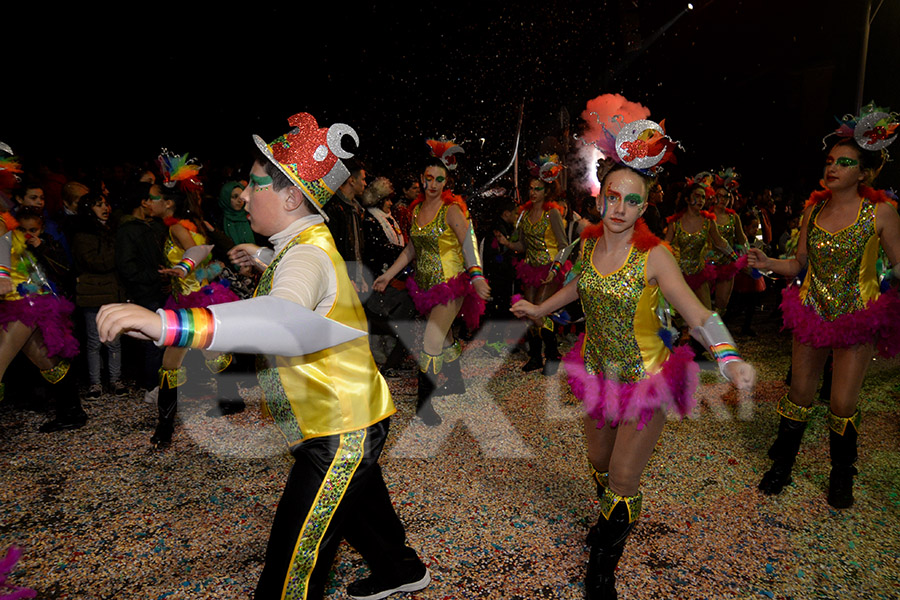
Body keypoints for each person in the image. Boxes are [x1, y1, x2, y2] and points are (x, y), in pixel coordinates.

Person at [98, 111, 430, 600]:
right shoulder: (301, 245)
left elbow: (282, 318)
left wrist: (168, 324)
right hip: (340, 418)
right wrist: (264, 257)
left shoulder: (308, 255)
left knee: (289, 571)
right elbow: (301, 279)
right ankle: (401, 570)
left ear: (292, 196)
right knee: (360, 508)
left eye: (256, 186)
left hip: (339, 431)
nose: (245, 195)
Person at [512, 106, 755, 600]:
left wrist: (729, 359)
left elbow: (695, 313)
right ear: (603, 200)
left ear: (645, 208)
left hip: (647, 379)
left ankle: (603, 565)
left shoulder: (655, 255)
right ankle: (608, 518)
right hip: (599, 371)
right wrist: (540, 312)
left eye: (631, 201)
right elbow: (580, 286)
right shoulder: (589, 243)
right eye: (613, 198)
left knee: (624, 477)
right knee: (598, 462)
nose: (619, 209)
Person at [750, 104, 900, 508]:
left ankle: (841, 473)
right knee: (799, 393)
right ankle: (781, 465)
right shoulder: (813, 210)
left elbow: (899, 263)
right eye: (830, 160)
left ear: (864, 173)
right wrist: (768, 263)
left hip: (857, 316)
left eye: (844, 162)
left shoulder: (881, 213)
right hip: (813, 310)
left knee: (841, 403)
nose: (832, 167)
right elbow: (799, 264)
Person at [373, 140, 490, 426]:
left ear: (446, 182)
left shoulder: (451, 210)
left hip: (450, 284)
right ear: (421, 180)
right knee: (445, 337)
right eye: (428, 179)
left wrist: (476, 275)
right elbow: (411, 249)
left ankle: (423, 404)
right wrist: (389, 275)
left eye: (440, 179)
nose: (433, 184)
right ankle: (456, 381)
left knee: (430, 341)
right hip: (424, 286)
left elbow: (468, 242)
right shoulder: (415, 211)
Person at [152, 177, 241, 448]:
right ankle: (231, 399)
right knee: (211, 354)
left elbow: (198, 251)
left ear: (168, 204)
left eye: (152, 197)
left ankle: (164, 429)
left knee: (170, 363)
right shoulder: (186, 224)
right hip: (191, 298)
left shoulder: (178, 227)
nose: (147, 202)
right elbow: (209, 257)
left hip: (190, 304)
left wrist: (183, 268)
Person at [0, 208, 84, 432]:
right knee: (44, 358)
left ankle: (72, 412)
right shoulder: (11, 232)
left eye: (33, 230)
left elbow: (64, 268)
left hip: (24, 304)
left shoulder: (6, 230)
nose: (27, 234)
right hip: (19, 304)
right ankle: (72, 412)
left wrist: (2, 276)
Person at [496, 155, 568, 375]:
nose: (532, 192)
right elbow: (523, 245)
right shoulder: (525, 215)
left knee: (539, 313)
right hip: (530, 268)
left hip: (550, 268)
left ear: (546, 192)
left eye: (537, 189)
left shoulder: (552, 213)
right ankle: (536, 356)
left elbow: (564, 246)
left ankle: (553, 355)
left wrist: (555, 269)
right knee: (529, 314)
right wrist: (507, 242)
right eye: (531, 188)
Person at [72, 193, 126, 398]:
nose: (105, 207)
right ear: (88, 209)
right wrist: (118, 250)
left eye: (105, 203)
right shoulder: (83, 236)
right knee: (94, 341)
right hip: (92, 293)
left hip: (112, 291)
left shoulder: (112, 231)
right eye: (98, 204)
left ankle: (115, 379)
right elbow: (97, 262)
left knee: (114, 340)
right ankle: (95, 382)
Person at [665, 176, 734, 309]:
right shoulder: (675, 223)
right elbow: (665, 248)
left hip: (699, 276)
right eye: (697, 196)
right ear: (687, 199)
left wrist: (738, 259)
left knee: (705, 317)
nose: (701, 200)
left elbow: (720, 242)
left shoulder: (708, 221)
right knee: (680, 318)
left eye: (703, 197)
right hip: (678, 277)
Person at [707, 170, 748, 314]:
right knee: (703, 305)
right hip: (706, 266)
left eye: (726, 197)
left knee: (721, 306)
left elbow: (742, 239)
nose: (723, 200)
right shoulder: (706, 216)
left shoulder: (733, 217)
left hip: (727, 265)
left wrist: (746, 256)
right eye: (719, 196)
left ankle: (716, 334)